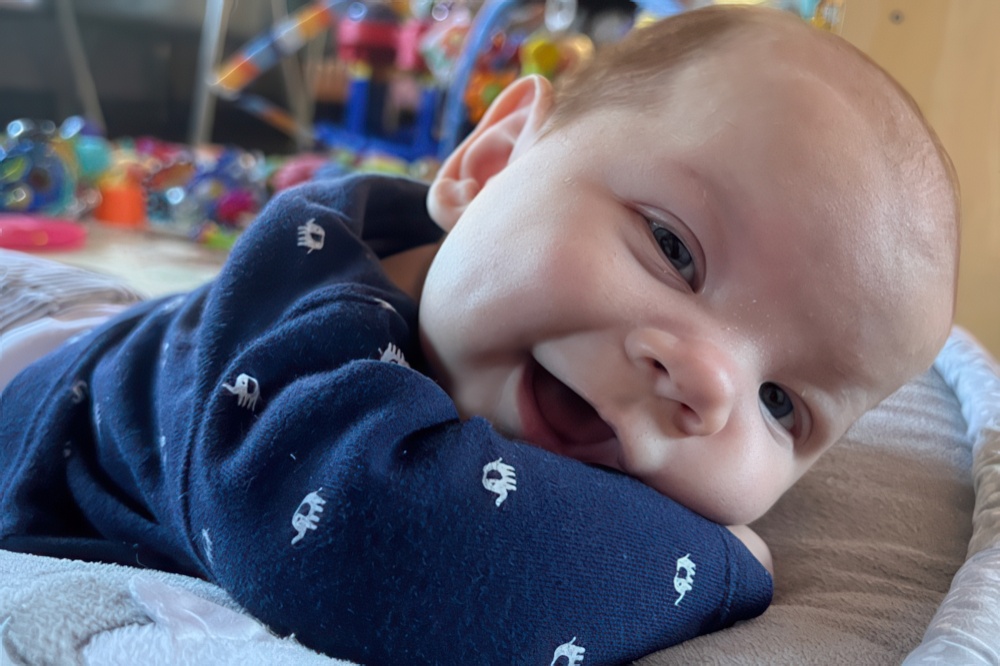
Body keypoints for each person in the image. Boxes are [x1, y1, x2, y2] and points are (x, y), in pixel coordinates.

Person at [0, 5, 958, 664]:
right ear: (490, 165)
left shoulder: (508, 325)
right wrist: (724, 570)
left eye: (781, 403)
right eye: (673, 247)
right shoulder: (307, 324)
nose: (708, 382)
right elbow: (379, 550)